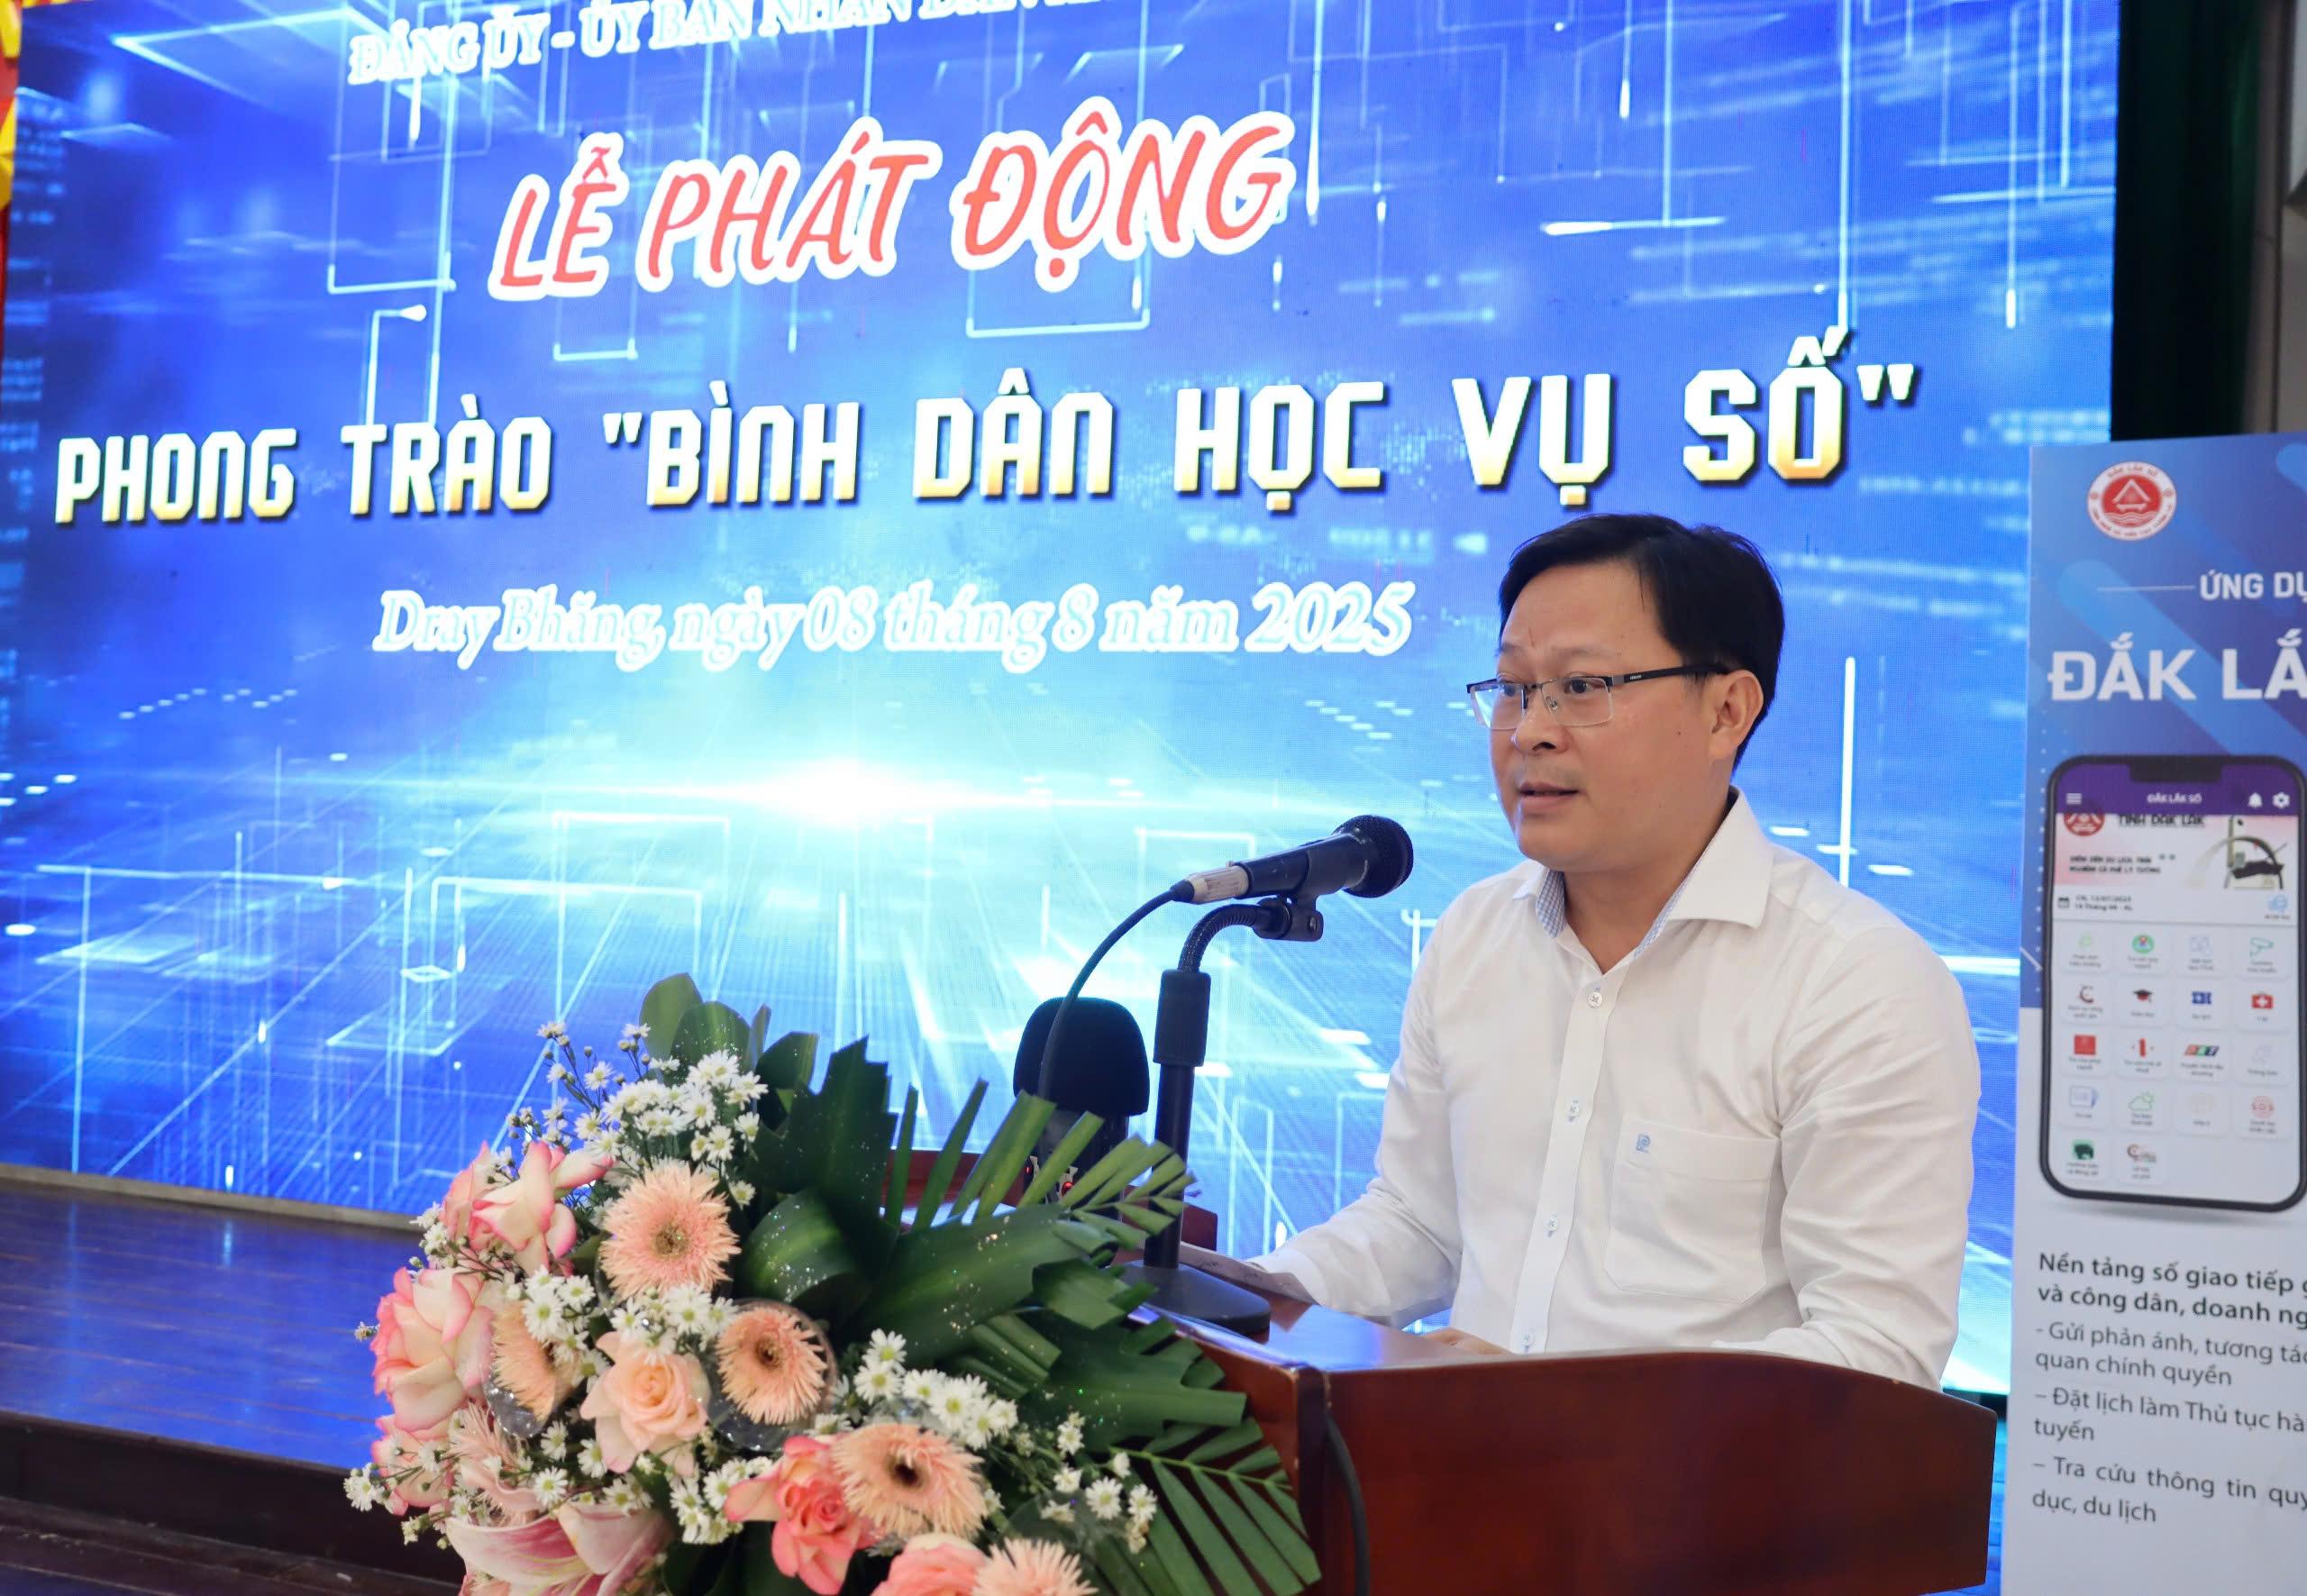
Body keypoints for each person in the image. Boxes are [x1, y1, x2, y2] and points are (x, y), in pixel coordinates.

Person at [1190, 513, 1978, 1388]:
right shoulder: (1475, 935)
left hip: (1689, 1482)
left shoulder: (1857, 982)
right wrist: (1242, 1295)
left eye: (1582, 686)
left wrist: (1558, 1404)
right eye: (1513, 688)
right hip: (1449, 1465)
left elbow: (1875, 1354)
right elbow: (1421, 1224)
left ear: (1727, 710)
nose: (1530, 730)